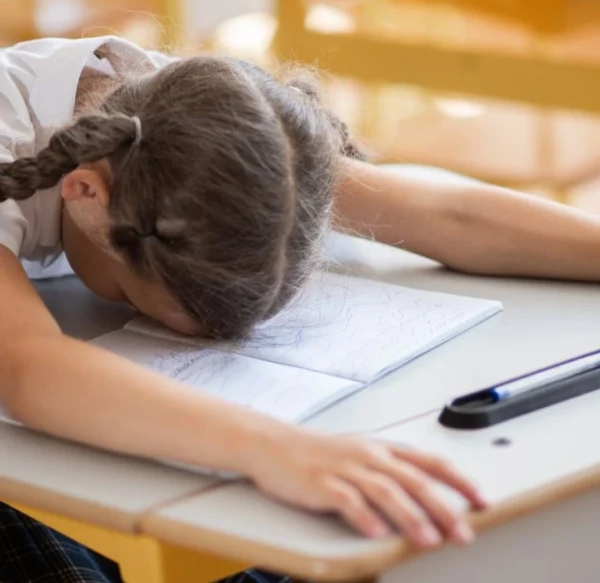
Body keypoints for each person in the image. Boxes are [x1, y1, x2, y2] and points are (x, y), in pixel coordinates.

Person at [0, 35, 599, 582]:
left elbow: (449, 216)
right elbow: (29, 367)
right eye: (134, 298)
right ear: (85, 194)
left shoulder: (190, 127)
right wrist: (277, 449)